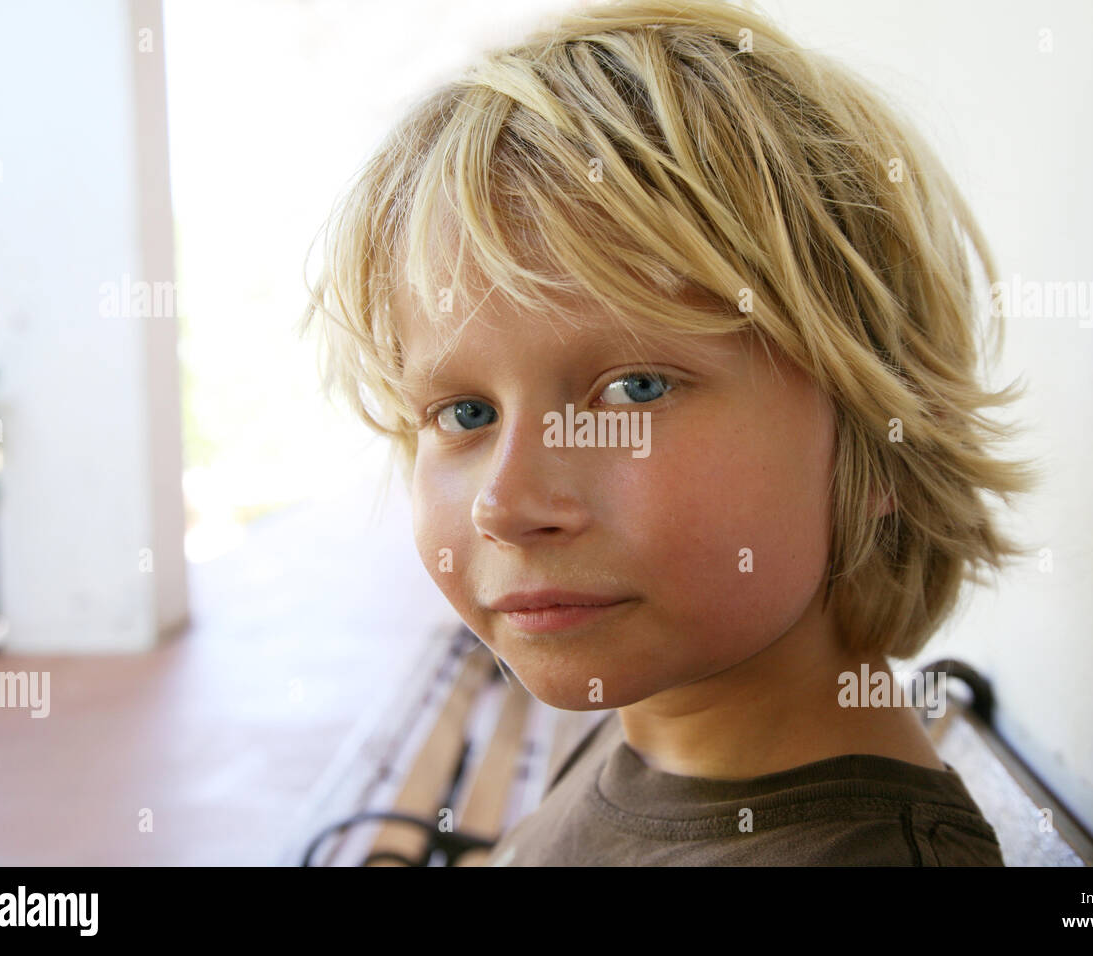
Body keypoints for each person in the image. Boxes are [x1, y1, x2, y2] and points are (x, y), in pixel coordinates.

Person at [300, 0, 1043, 865]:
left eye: (634, 390)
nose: (505, 505)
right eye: (466, 413)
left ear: (882, 432)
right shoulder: (645, 713)